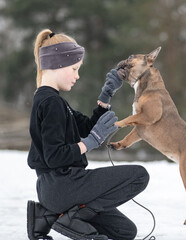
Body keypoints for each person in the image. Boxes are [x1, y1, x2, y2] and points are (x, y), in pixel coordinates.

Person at [26, 29, 149, 240]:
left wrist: (106, 95)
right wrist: (91, 142)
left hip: (59, 188)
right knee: (139, 176)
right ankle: (71, 218)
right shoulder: (51, 103)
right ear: (56, 64)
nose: (77, 76)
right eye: (74, 69)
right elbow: (54, 156)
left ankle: (48, 215)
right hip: (63, 185)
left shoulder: (54, 100)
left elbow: (88, 127)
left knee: (125, 231)